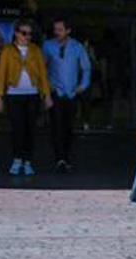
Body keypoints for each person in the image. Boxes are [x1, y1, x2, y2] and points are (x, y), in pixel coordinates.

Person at [0, 19, 52, 176]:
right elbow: (1, 74)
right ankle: (17, 159)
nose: (27, 37)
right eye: (24, 33)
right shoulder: (7, 51)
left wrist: (46, 94)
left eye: (30, 34)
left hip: (32, 94)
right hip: (14, 94)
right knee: (16, 128)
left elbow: (42, 75)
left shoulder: (36, 51)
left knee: (30, 129)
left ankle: (27, 161)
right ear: (17, 33)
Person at [42, 16, 92, 173]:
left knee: (68, 127)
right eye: (55, 29)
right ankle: (60, 158)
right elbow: (41, 68)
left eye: (60, 30)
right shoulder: (48, 45)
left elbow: (86, 68)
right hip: (55, 90)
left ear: (68, 31)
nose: (57, 32)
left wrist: (82, 86)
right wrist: (46, 88)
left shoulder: (77, 47)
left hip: (71, 93)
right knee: (56, 125)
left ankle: (66, 156)